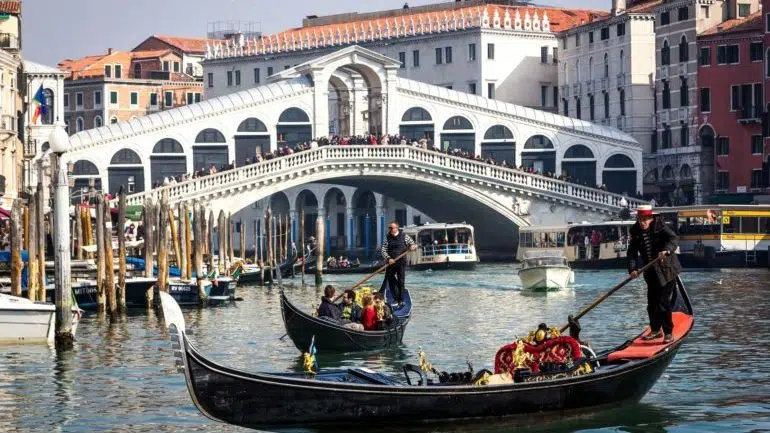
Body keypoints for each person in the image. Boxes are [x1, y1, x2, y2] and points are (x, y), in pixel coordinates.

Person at [627, 204, 682, 344]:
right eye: (640, 219)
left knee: (663, 302)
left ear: (651, 218)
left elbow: (673, 239)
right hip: (650, 271)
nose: (642, 222)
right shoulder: (635, 230)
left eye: (645, 219)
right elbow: (632, 253)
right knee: (652, 303)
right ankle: (656, 330)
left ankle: (668, 332)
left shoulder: (660, 226)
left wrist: (666, 250)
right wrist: (633, 269)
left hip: (667, 269)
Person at [380, 221, 417, 304]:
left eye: (391, 228)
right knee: (390, 278)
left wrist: (412, 246)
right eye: (389, 228)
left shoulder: (404, 237)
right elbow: (383, 250)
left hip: (401, 262)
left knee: (401, 280)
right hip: (391, 262)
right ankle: (396, 298)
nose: (390, 229)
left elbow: (414, 244)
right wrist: (388, 258)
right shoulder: (387, 238)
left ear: (396, 228)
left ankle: (401, 299)